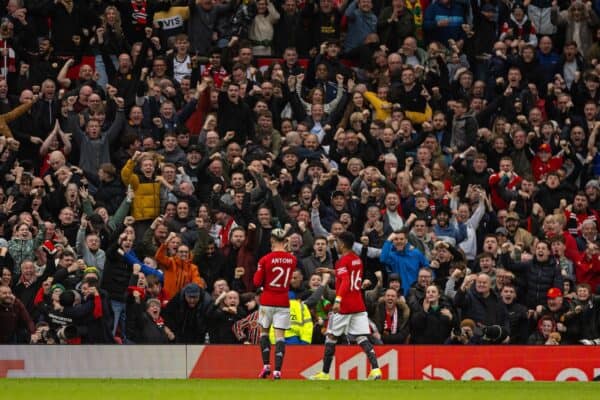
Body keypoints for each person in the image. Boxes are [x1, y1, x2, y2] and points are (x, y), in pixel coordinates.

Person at [310, 231, 381, 380]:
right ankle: (375, 369)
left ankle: (324, 373)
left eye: (337, 242)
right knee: (362, 337)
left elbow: (346, 281)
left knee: (330, 336)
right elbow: (349, 275)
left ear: (342, 244)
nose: (336, 244)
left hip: (345, 306)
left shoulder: (342, 261)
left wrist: (338, 300)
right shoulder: (357, 259)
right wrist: (330, 271)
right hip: (358, 304)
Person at [252, 228, 297, 380]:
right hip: (283, 300)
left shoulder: (265, 259)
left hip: (267, 300)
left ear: (271, 241)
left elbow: (257, 282)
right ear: (285, 241)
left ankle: (266, 366)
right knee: (280, 337)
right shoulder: (292, 260)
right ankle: (278, 371)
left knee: (264, 332)